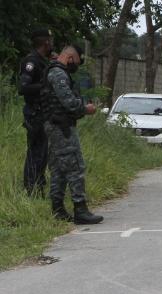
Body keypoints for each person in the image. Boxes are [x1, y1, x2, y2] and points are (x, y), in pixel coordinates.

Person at [41, 44, 103, 224]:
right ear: (69, 58)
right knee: (75, 166)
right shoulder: (59, 74)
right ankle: (80, 209)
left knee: (59, 169)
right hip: (62, 128)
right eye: (76, 61)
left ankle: (58, 209)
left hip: (56, 126)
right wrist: (86, 109)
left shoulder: (53, 71)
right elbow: (68, 102)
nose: (76, 66)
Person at [17, 29, 53, 197]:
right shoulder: (31, 62)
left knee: (42, 153)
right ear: (46, 42)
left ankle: (38, 187)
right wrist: (45, 86)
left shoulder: (43, 61)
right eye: (50, 41)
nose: (52, 44)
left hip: (43, 114)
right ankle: (31, 189)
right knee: (35, 153)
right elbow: (23, 88)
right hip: (34, 113)